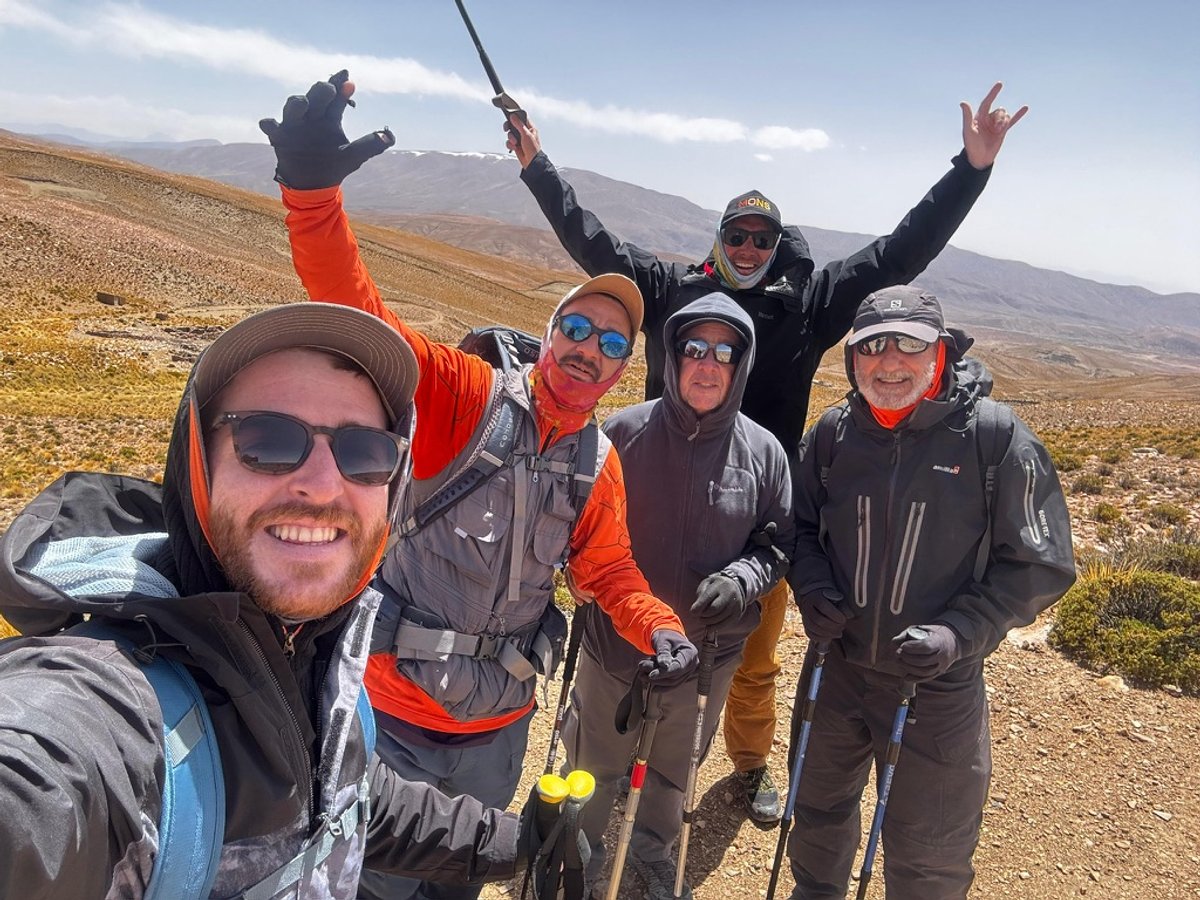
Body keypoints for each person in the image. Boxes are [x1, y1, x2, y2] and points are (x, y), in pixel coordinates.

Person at [506, 82, 1027, 822]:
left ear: (776, 247)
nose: (750, 248)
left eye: (763, 239)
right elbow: (592, 242)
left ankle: (749, 766)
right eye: (738, 235)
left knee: (749, 659)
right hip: (654, 489)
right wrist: (536, 167)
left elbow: (897, 254)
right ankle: (598, 749)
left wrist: (970, 169)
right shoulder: (672, 290)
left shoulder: (809, 303)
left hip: (759, 512)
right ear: (719, 239)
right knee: (623, 628)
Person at [259, 71, 698, 900]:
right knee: (375, 886)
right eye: (575, 327)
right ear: (546, 337)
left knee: (463, 880)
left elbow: (608, 574)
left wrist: (660, 629)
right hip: (391, 717)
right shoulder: (462, 397)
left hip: (500, 729)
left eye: (609, 342)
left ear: (620, 368)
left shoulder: (596, 462)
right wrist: (312, 198)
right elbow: (361, 318)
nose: (588, 348)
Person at [0, 302, 529, 899]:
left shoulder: (321, 649)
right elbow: (36, 795)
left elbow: (335, 795)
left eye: (366, 453)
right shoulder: (98, 707)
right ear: (199, 463)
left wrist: (513, 843)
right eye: (269, 441)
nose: (324, 484)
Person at [783, 285, 1076, 899]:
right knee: (816, 814)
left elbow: (1040, 563)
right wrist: (810, 585)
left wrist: (960, 632)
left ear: (940, 351)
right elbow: (799, 527)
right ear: (852, 358)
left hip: (936, 687)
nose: (890, 362)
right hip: (836, 669)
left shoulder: (994, 439)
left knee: (931, 852)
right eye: (872, 347)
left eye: (909, 344)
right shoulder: (834, 434)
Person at [563, 292, 795, 899]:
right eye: (695, 347)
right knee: (594, 760)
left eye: (725, 351)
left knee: (673, 770)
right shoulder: (622, 433)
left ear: (741, 365)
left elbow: (777, 545)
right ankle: (578, 856)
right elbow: (580, 532)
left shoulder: (764, 453)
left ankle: (654, 852)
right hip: (615, 645)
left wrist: (745, 578)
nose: (707, 363)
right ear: (673, 356)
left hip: (707, 658)